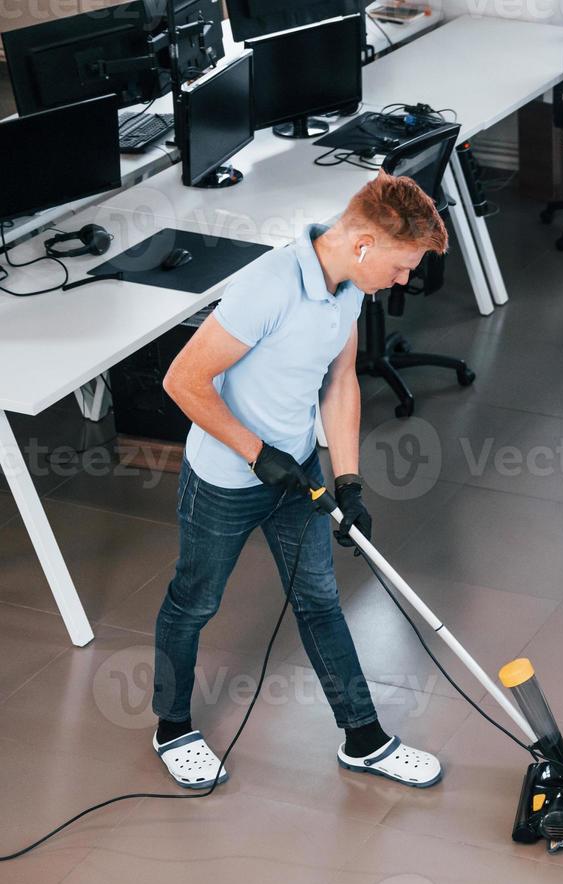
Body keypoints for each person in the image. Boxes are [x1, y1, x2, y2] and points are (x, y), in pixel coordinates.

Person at [151, 174, 446, 791]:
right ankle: (172, 726)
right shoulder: (268, 287)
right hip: (227, 480)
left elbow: (340, 383)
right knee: (194, 601)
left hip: (297, 473)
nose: (402, 281)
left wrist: (349, 481)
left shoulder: (347, 289)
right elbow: (182, 381)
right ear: (364, 243)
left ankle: (363, 738)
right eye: (399, 267)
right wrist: (258, 455)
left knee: (318, 600)